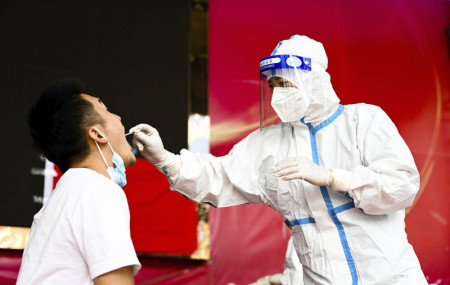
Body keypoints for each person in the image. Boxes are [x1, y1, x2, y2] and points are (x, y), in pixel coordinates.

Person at [130, 35, 427, 284]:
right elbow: (219, 176)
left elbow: (401, 186)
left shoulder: (364, 121)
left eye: (286, 83)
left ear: (315, 81)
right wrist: (165, 159)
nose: (277, 93)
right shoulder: (268, 144)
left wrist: (336, 178)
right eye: (273, 85)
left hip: (392, 278)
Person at [17, 78, 140, 285]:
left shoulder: (65, 196)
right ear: (97, 133)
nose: (119, 117)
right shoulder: (98, 190)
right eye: (108, 110)